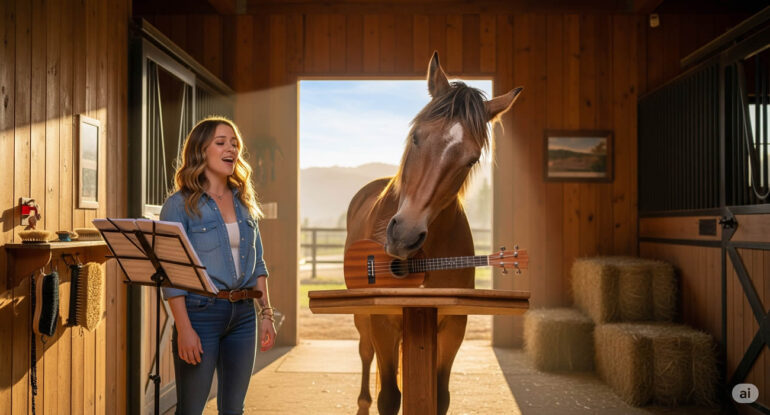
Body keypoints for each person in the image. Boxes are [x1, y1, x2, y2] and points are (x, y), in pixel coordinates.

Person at [160, 116, 276, 415]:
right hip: (200, 315)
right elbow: (172, 273)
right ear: (201, 150)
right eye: (221, 142)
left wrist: (266, 313)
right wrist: (184, 328)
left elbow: (258, 263)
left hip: (244, 317)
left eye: (235, 144)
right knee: (191, 409)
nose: (231, 149)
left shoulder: (244, 201)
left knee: (234, 409)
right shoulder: (178, 205)